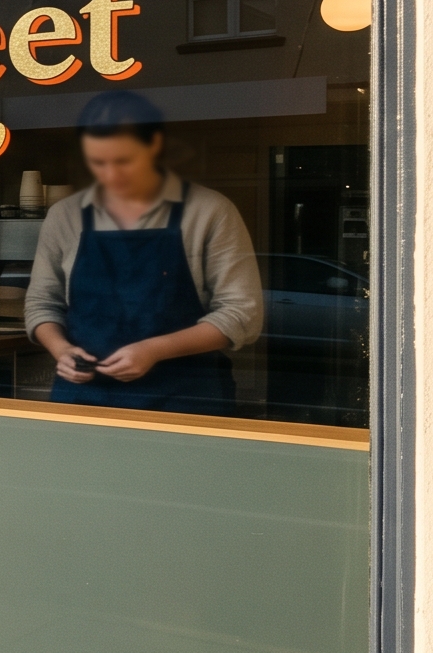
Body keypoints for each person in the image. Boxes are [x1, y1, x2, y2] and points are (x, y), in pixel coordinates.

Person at [24, 91, 264, 414]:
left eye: (124, 161)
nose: (111, 175)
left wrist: (154, 350)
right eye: (98, 162)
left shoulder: (209, 211)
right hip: (83, 401)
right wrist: (61, 349)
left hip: (184, 399)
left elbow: (241, 314)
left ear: (154, 145)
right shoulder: (65, 216)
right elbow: (42, 303)